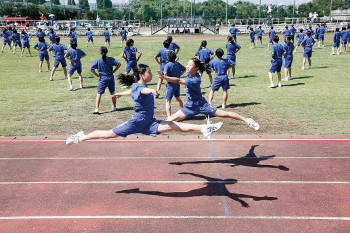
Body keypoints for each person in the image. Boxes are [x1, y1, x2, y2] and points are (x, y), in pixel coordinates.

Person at [66, 64, 223, 145]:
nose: (150, 74)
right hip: (137, 122)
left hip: (149, 123)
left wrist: (121, 93)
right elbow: (143, 91)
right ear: (142, 75)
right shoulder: (141, 87)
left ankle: (204, 128)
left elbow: (133, 91)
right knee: (108, 134)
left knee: (174, 125)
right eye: (148, 72)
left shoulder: (134, 86)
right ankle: (80, 137)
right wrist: (152, 91)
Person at [158, 58, 259, 131]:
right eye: (187, 64)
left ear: (196, 68)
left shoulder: (196, 80)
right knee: (170, 119)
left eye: (190, 65)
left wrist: (165, 78)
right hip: (190, 106)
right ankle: (156, 129)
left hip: (202, 105)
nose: (187, 67)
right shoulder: (190, 74)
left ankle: (247, 120)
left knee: (225, 114)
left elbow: (179, 80)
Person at [90, 47, 121, 114]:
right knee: (112, 93)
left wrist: (97, 75)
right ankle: (114, 107)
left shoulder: (98, 60)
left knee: (99, 94)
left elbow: (91, 69)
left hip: (102, 79)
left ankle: (97, 109)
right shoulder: (111, 59)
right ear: (107, 52)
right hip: (110, 78)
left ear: (100, 52)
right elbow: (119, 64)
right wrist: (114, 71)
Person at [163, 51, 186, 118]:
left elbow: (165, 75)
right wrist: (179, 75)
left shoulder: (167, 65)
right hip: (177, 84)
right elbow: (184, 69)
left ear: (168, 57)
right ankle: (183, 113)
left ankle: (169, 117)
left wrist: (164, 77)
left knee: (168, 101)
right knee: (178, 98)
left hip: (170, 85)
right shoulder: (177, 63)